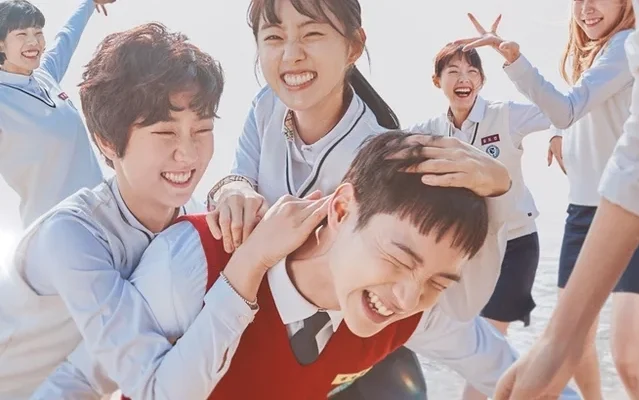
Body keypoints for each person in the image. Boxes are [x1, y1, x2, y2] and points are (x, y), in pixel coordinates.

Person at [40, 132, 580, 400]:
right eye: (398, 258)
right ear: (341, 210)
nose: (406, 297)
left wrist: (503, 185)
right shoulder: (192, 263)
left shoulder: (414, 311)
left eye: (437, 281)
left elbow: (514, 375)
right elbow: (83, 375)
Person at [204, 0, 512, 398]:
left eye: (312, 34)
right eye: (275, 37)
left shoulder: (385, 155)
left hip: (365, 328)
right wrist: (232, 189)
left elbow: (453, 273)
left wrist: (499, 183)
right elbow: (240, 173)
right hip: (277, 325)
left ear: (353, 46)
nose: (291, 54)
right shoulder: (267, 105)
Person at [0, 22, 224, 399]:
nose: (188, 154)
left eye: (201, 130)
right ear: (107, 141)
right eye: (165, 133)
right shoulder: (72, 235)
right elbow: (155, 387)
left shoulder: (194, 217)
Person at [494, 0, 639, 399]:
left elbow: (570, 108)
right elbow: (582, 111)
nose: (586, 8)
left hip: (632, 213)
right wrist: (560, 134)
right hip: (584, 213)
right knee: (580, 351)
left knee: (629, 360)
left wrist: (517, 63)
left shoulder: (625, 45)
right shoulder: (603, 51)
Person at [408, 40, 553, 400]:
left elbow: (561, 110)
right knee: (447, 333)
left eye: (472, 71)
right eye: (453, 71)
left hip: (515, 244)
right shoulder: (428, 131)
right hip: (464, 251)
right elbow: (383, 149)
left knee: (489, 342)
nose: (464, 78)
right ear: (437, 80)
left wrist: (559, 134)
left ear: (482, 81)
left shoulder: (506, 115)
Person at [0, 0, 112, 228]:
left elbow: (66, 37)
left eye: (38, 32)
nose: (33, 42)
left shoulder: (45, 75)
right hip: (54, 228)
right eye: (21, 34)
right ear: (1, 44)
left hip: (100, 213)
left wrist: (90, 3)